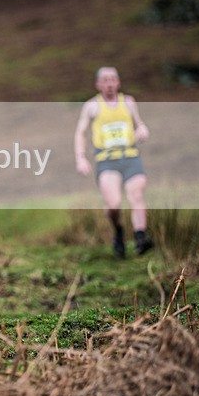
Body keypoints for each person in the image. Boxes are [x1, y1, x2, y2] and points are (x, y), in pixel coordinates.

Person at [74, 66, 153, 258]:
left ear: (118, 82)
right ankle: (118, 231)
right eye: (105, 80)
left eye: (112, 80)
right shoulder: (92, 106)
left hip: (130, 157)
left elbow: (139, 124)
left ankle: (140, 238)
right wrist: (81, 157)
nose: (109, 84)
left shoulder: (129, 102)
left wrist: (142, 129)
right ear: (98, 84)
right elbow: (80, 132)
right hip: (106, 161)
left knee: (136, 194)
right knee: (114, 204)